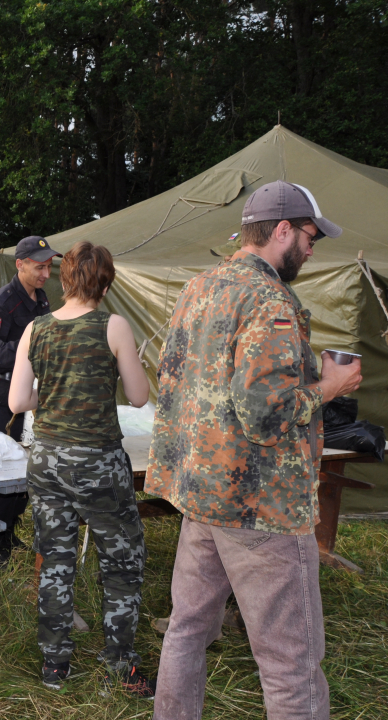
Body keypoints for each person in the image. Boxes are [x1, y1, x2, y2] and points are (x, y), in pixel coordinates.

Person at [145, 180, 362, 719]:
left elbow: (174, 380)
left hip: (201, 494)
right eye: (311, 237)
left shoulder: (200, 287)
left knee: (187, 631)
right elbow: (265, 412)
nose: (313, 249)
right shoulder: (269, 299)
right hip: (259, 505)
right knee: (291, 661)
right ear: (282, 229)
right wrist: (330, 387)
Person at [8, 241, 154, 696]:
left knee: (56, 561)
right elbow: (138, 396)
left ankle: (54, 666)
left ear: (63, 278)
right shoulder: (114, 326)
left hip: (47, 458)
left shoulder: (36, 328)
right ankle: (119, 665)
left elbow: (17, 402)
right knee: (122, 563)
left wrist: (51, 397)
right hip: (98, 463)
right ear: (105, 281)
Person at [0, 235, 61, 565]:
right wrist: (28, 352)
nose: (46, 275)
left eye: (49, 267)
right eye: (40, 267)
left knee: (25, 466)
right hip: (3, 395)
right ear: (20, 264)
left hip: (30, 396)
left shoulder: (40, 299)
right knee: (5, 466)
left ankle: (9, 530)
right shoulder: (2, 302)